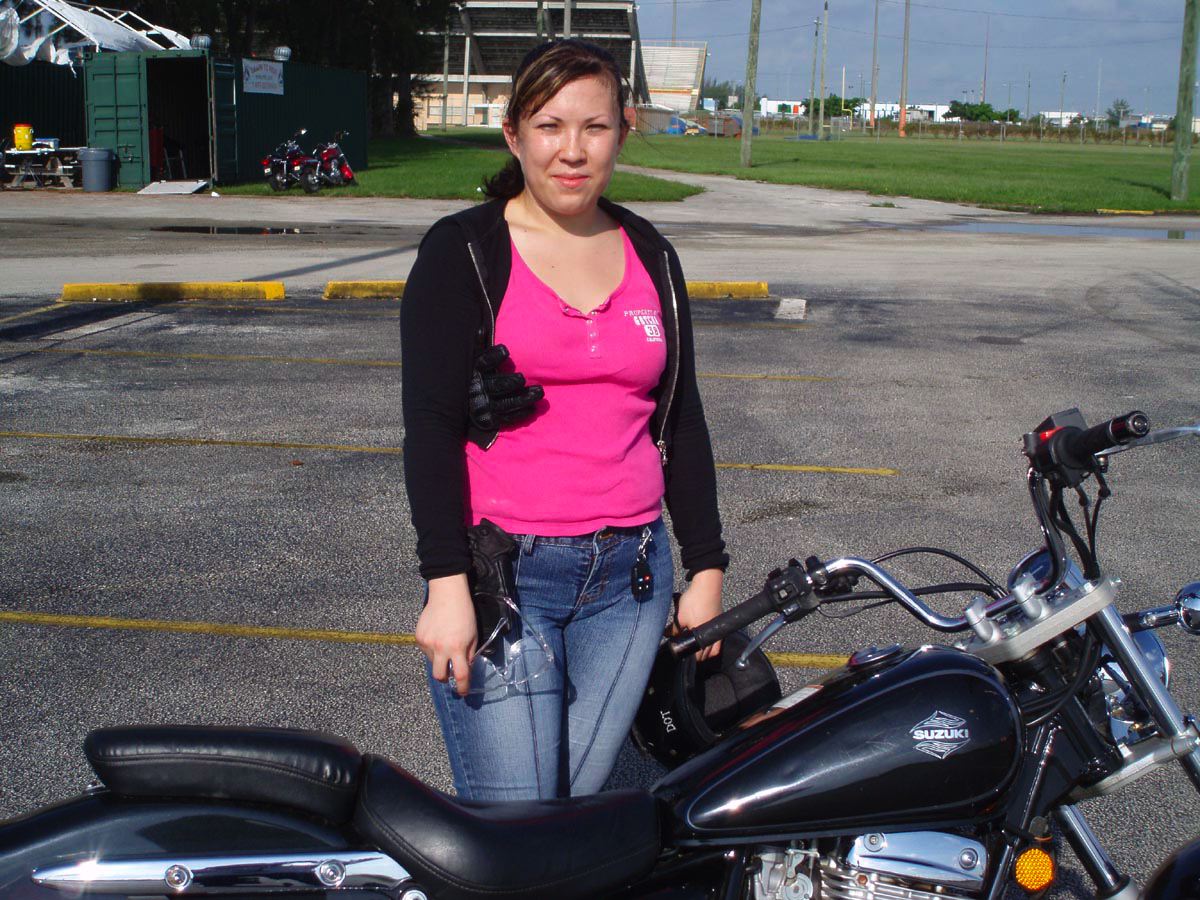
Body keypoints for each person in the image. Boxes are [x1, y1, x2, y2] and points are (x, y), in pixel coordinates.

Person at [401, 38, 728, 802]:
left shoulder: (651, 254)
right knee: (516, 823)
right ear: (513, 135)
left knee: (575, 815)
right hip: (508, 579)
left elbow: (681, 420)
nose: (572, 150)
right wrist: (445, 585)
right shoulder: (464, 252)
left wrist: (707, 569)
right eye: (549, 126)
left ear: (623, 131)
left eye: (594, 127)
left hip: (632, 583)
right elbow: (431, 428)